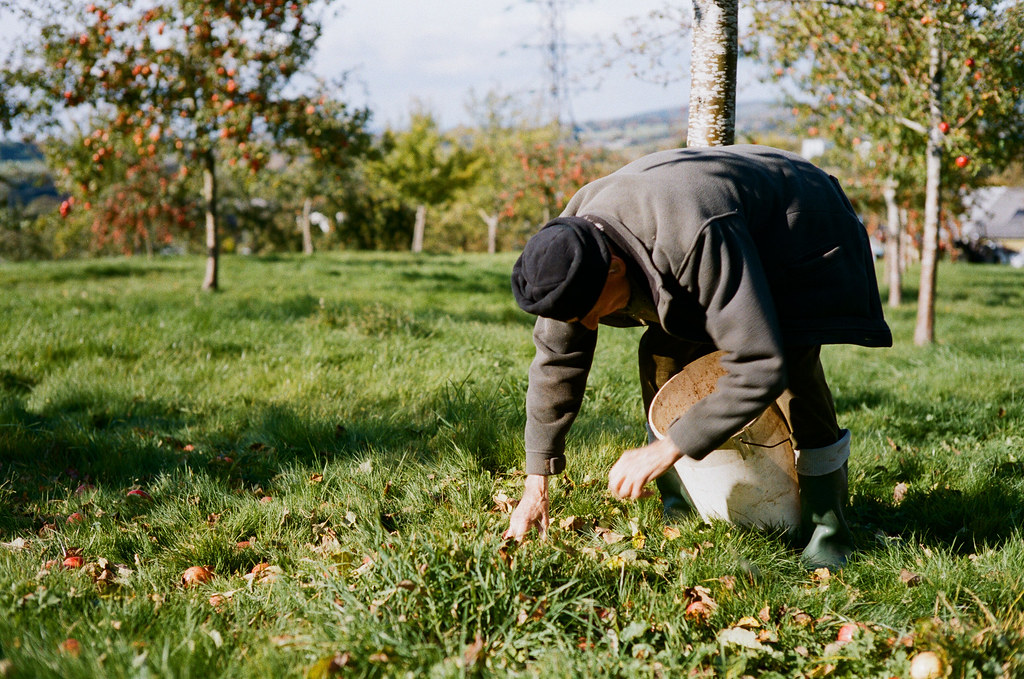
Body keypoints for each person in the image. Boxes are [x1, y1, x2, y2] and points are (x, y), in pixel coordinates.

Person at [503, 144, 892, 569]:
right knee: (663, 353)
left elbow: (761, 366)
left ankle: (827, 533)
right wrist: (535, 485)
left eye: (591, 311)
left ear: (615, 268)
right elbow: (557, 361)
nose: (589, 324)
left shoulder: (694, 236)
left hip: (797, 227)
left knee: (794, 366)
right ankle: (684, 509)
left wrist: (670, 445)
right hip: (716, 230)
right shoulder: (571, 254)